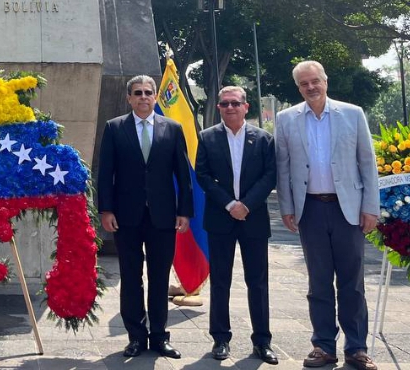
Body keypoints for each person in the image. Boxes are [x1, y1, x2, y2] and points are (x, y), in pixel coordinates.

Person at [275, 61, 380, 370]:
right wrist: (287, 207)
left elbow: (367, 162)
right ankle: (323, 346)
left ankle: (356, 348)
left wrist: (371, 207)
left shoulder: (352, 114)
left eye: (315, 81)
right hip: (310, 209)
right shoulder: (286, 119)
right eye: (304, 83)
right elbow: (282, 167)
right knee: (318, 282)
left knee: (352, 282)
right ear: (298, 88)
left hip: (347, 209)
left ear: (325, 80)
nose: (311, 87)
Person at [97, 74, 193, 359]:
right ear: (129, 98)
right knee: (130, 276)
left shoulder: (172, 129)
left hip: (163, 217)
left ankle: (160, 337)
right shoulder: (115, 128)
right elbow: (106, 173)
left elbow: (183, 175)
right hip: (125, 216)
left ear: (154, 96)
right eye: (137, 93)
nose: (143, 97)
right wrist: (106, 209)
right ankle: (136, 337)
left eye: (148, 92)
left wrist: (184, 212)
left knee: (159, 277)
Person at [196, 87, 278, 364]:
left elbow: (270, 176)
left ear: (246, 106)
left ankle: (262, 341)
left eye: (235, 103)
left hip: (253, 218)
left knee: (258, 281)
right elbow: (203, 176)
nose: (230, 107)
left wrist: (247, 205)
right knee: (220, 281)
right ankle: (220, 339)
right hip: (221, 218)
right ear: (219, 107)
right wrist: (230, 204)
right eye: (225, 103)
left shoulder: (264, 139)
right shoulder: (207, 138)